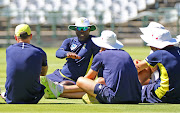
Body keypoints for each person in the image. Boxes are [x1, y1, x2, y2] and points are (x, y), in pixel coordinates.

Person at [41, 17, 101, 99]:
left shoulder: (94, 42)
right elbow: (58, 53)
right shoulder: (69, 41)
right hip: (60, 74)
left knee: (87, 90)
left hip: (77, 80)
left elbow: (100, 61)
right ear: (75, 29)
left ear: (89, 29)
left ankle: (57, 89)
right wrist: (67, 54)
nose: (82, 30)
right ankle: (56, 88)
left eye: (85, 28)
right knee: (39, 82)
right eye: (79, 28)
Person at [76, 30, 142, 104]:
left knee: (80, 80)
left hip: (115, 98)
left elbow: (88, 78)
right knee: (100, 80)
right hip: (136, 97)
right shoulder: (126, 54)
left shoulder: (101, 55)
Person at [135, 23, 180, 103]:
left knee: (135, 93)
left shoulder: (159, 54)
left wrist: (134, 62)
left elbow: (137, 68)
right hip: (178, 95)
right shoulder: (178, 50)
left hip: (163, 94)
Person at [3, 24, 48, 104]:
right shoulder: (40, 52)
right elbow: (43, 73)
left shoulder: (9, 50)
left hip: (12, 98)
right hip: (33, 98)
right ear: (30, 36)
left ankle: (5, 95)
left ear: (15, 37)